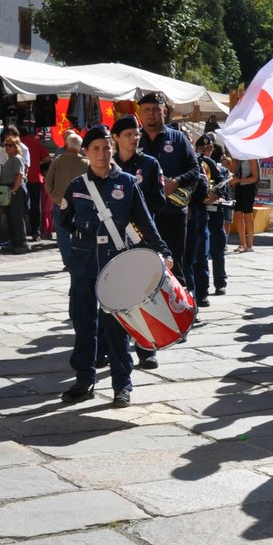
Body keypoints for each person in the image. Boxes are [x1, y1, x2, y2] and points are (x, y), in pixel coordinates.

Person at [59, 125, 173, 408]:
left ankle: (122, 385)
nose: (102, 153)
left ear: (112, 150)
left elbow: (146, 222)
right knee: (84, 323)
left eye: (106, 148)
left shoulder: (126, 183)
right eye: (95, 148)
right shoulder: (75, 187)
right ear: (86, 152)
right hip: (84, 262)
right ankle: (84, 381)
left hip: (115, 261)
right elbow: (64, 220)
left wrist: (162, 250)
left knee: (117, 326)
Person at [109, 115, 167, 369]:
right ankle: (110, 347)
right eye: (128, 135)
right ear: (116, 138)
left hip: (142, 239)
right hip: (113, 239)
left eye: (136, 134)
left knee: (144, 295)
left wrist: (136, 211)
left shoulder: (150, 164)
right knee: (115, 295)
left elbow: (159, 199)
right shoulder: (106, 165)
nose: (134, 139)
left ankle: (146, 349)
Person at [137, 92, 200, 290]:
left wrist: (176, 182)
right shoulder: (134, 140)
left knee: (175, 262)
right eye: (146, 110)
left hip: (172, 211)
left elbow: (195, 170)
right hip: (142, 214)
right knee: (144, 264)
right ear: (140, 113)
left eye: (156, 109)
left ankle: (182, 308)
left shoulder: (178, 139)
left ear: (164, 111)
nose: (151, 114)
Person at [190, 132, 231, 303]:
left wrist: (216, 193)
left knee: (218, 249)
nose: (205, 151)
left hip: (216, 212)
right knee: (202, 253)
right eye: (201, 148)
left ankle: (220, 282)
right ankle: (202, 291)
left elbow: (221, 183)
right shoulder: (193, 162)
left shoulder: (213, 164)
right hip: (202, 212)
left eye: (208, 148)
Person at [45, 132, 88, 271]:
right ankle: (80, 259)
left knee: (62, 233)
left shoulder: (58, 160)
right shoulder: (86, 163)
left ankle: (68, 262)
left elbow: (48, 181)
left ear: (67, 145)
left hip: (60, 201)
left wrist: (53, 195)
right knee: (80, 231)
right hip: (81, 202)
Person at [0, 134, 29, 253]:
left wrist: (14, 190)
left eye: (10, 145)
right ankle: (14, 242)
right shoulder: (10, 159)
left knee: (16, 217)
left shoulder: (17, 158)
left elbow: (19, 175)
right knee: (10, 217)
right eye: (6, 145)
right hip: (9, 189)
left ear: (16, 146)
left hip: (15, 190)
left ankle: (22, 243)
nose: (7, 147)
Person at [19, 123, 51, 240]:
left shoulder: (14, 144)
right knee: (35, 206)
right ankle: (35, 232)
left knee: (19, 206)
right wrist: (38, 163)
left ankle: (20, 232)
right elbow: (47, 158)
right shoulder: (35, 142)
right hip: (34, 178)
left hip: (19, 179)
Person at [230, 153, 259, 253]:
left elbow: (255, 178)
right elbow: (232, 171)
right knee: (238, 214)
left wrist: (240, 180)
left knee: (248, 215)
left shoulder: (252, 157)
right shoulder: (237, 157)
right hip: (238, 187)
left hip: (249, 187)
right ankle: (242, 243)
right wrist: (232, 162)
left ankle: (250, 245)